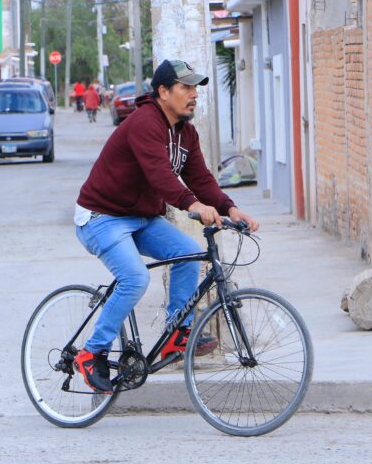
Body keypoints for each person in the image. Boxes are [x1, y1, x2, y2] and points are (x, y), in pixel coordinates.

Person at [72, 59, 259, 393]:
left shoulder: (186, 133)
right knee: (134, 278)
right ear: (163, 91)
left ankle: (177, 332)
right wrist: (193, 205)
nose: (193, 95)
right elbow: (160, 175)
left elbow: (201, 179)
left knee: (189, 252)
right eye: (185, 88)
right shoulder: (144, 123)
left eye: (195, 89)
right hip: (101, 217)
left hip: (140, 217)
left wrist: (230, 207)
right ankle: (92, 352)